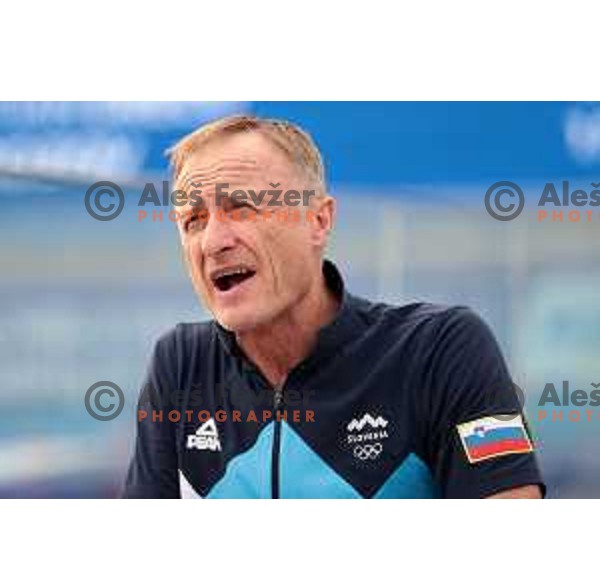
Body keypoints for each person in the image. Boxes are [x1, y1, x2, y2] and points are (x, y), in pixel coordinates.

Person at [123, 115, 544, 499]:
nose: (214, 241)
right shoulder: (180, 364)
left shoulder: (440, 347)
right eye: (193, 220)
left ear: (318, 222)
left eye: (242, 207)